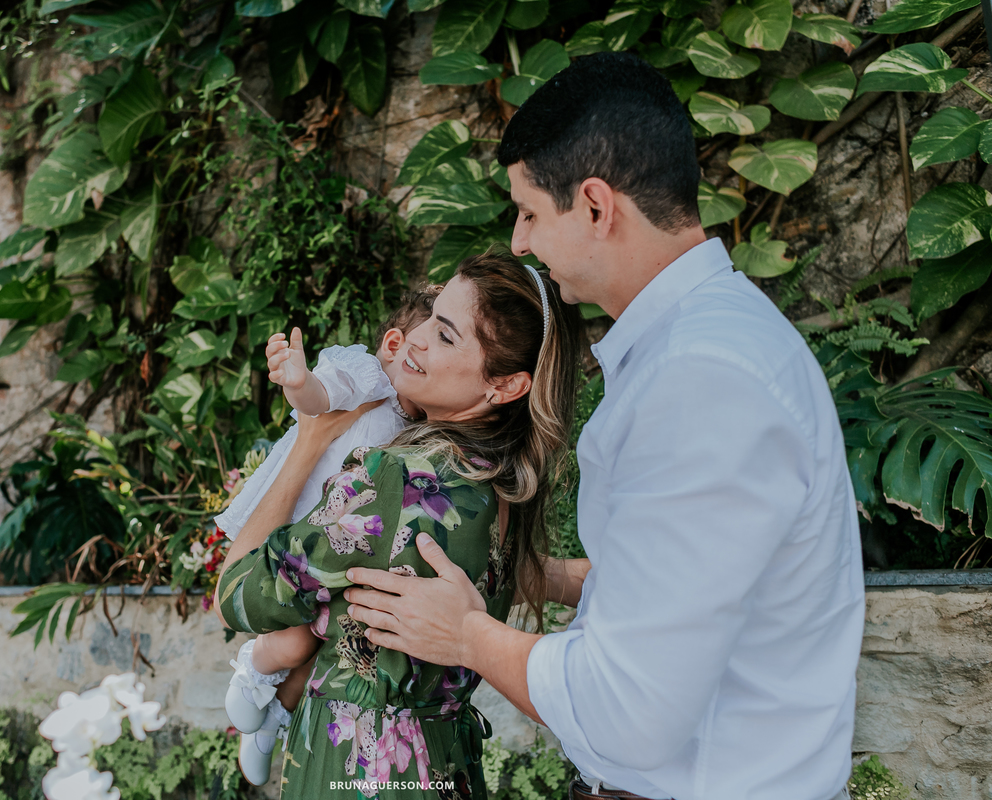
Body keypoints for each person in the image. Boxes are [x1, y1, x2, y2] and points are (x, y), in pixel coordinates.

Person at [342, 53, 865, 800]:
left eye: (529, 212)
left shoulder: (703, 378)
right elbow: (709, 583)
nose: (520, 243)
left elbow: (629, 710)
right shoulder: (713, 343)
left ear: (594, 205)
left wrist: (466, 635)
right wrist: (545, 578)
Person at [214, 250, 582, 799]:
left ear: (505, 386)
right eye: (432, 319)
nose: (416, 339)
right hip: (447, 762)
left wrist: (309, 443)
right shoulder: (504, 487)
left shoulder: (399, 477)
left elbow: (239, 593)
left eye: (447, 336)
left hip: (358, 772)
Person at [216, 287, 439, 783]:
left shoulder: (420, 422)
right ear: (395, 343)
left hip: (340, 543)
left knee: (326, 641)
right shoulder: (369, 379)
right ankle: (254, 671)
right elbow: (319, 397)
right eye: (424, 349)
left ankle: (273, 720)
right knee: (295, 642)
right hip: (296, 525)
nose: (428, 365)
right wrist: (298, 382)